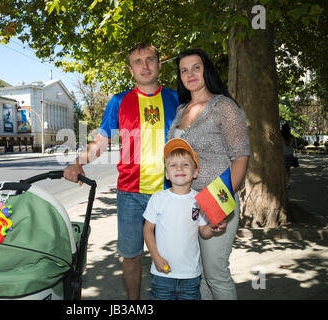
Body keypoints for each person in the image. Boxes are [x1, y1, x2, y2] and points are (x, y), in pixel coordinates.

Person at [64, 42, 180, 299]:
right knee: (131, 256)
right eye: (138, 62)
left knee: (169, 256)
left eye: (150, 59)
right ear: (131, 70)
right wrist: (78, 162)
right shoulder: (119, 101)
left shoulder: (176, 98)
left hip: (170, 193)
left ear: (159, 64)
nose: (145, 66)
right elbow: (101, 141)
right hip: (130, 194)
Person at [166, 48, 250, 300]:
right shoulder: (181, 110)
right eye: (183, 70)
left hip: (215, 201)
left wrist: (218, 207)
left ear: (207, 71)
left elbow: (241, 158)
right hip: (186, 205)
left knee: (216, 275)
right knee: (197, 275)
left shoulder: (223, 106)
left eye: (196, 67)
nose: (189, 73)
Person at [143, 138, 227, 300]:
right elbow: (147, 230)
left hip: (190, 276)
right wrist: (156, 257)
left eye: (185, 164)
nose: (179, 168)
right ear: (167, 173)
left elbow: (203, 231)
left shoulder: (201, 200)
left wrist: (211, 228)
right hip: (162, 274)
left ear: (196, 172)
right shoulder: (158, 198)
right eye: (173, 165)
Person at [281, 123, 295, 189]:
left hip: (282, 155)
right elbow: (295, 145)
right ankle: (288, 182)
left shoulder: (280, 137)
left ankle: (285, 182)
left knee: (283, 170)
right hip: (290, 155)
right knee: (288, 170)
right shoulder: (292, 137)